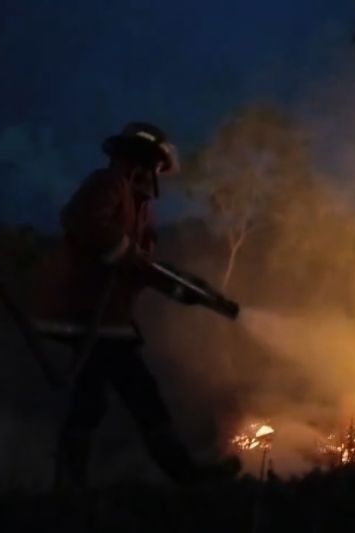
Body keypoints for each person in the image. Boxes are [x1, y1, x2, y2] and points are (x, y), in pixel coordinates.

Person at [39, 123, 236, 486]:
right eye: (157, 166)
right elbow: (81, 220)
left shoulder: (140, 207)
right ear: (144, 161)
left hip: (111, 319)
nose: (158, 176)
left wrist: (189, 291)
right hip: (89, 315)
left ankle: (67, 487)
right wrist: (122, 251)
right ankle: (186, 478)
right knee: (140, 397)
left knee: (92, 402)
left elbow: (143, 267)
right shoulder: (108, 183)